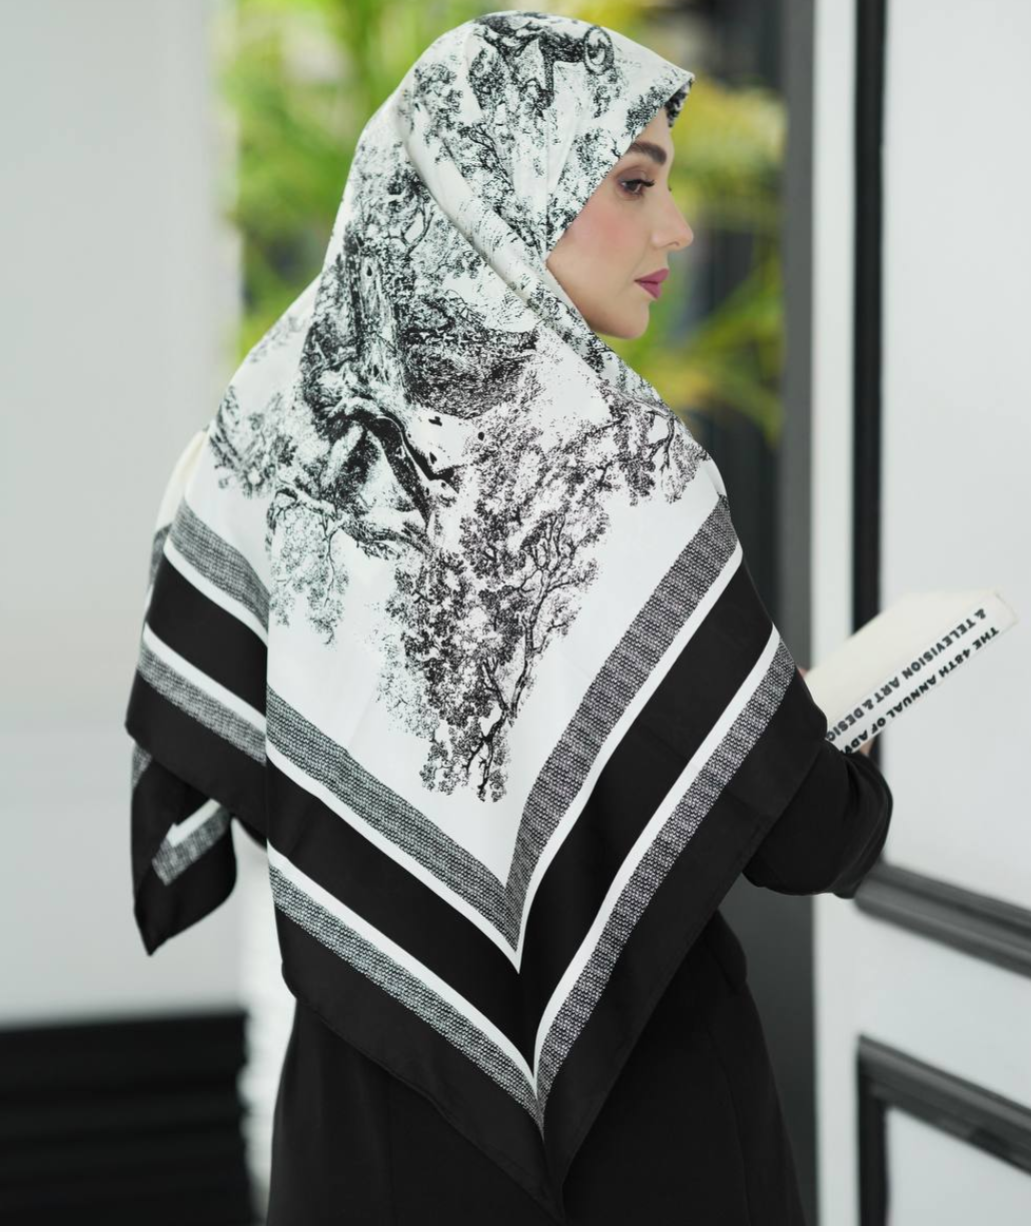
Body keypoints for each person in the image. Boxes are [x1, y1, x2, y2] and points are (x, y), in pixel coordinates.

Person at [124, 12, 892, 1226]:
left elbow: (194, 771)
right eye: (631, 180)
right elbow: (805, 841)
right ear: (501, 179)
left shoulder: (261, 442)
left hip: (366, 1128)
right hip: (648, 1123)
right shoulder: (620, 467)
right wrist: (833, 749)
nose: (676, 228)